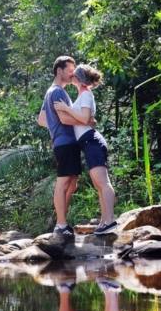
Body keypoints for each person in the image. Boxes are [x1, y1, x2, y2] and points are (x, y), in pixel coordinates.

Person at [54, 64, 117, 235]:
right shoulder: (81, 95)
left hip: (92, 141)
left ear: (79, 79)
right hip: (87, 143)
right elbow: (83, 119)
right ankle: (105, 222)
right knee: (99, 184)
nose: (71, 77)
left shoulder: (86, 94)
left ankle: (110, 220)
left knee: (103, 182)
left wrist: (66, 109)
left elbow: (83, 117)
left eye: (74, 75)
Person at [38, 56, 91, 240]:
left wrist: (54, 128)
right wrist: (86, 121)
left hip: (65, 141)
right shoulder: (58, 92)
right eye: (69, 71)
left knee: (72, 183)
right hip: (65, 142)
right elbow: (65, 119)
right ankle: (60, 225)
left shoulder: (51, 92)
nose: (72, 75)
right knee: (63, 182)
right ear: (59, 71)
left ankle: (62, 221)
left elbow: (42, 119)